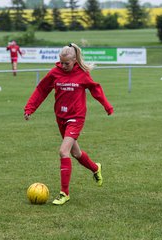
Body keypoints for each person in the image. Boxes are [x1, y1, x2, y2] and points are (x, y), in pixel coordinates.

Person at [24, 43, 114, 205]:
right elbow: (41, 90)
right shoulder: (55, 73)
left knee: (63, 152)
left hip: (76, 118)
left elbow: (96, 90)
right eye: (62, 62)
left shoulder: (82, 74)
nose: (64, 66)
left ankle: (64, 193)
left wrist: (107, 106)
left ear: (74, 60)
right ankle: (95, 168)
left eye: (67, 63)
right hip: (61, 118)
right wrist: (30, 108)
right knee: (76, 154)